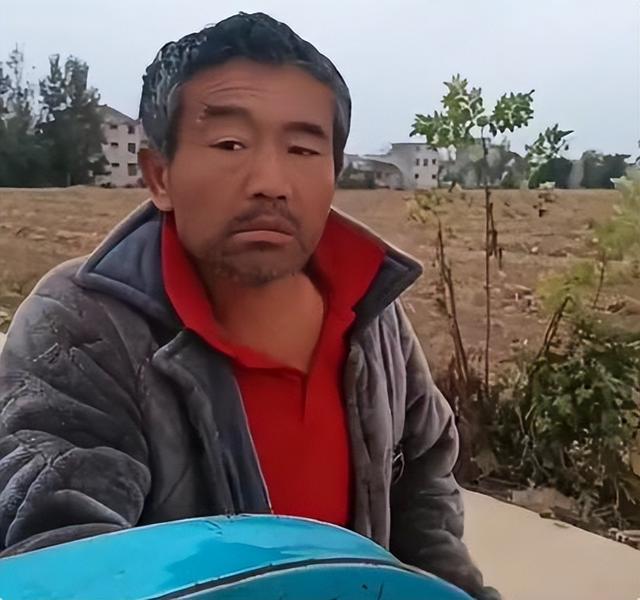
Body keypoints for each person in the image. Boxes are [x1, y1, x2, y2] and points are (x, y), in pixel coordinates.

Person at [0, 13, 498, 599]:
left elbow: (425, 482)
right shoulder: (81, 329)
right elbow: (66, 560)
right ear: (159, 176)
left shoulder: (370, 310)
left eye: (303, 148)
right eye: (230, 144)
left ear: (334, 173)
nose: (271, 181)